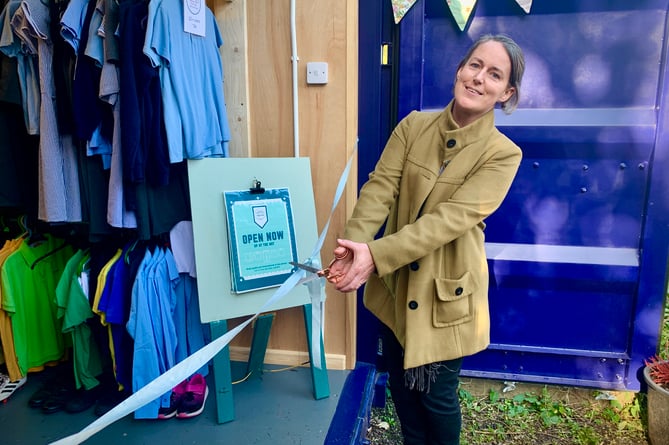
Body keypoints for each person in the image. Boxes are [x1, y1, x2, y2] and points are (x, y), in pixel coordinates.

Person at [326, 34, 525, 444]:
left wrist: (375, 256)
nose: (478, 78)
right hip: (397, 289)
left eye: (494, 74)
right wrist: (353, 247)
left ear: (506, 93)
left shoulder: (502, 154)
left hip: (444, 298)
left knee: (435, 398)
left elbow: (449, 220)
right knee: (401, 390)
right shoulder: (413, 126)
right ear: (459, 69)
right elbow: (380, 189)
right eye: (474, 65)